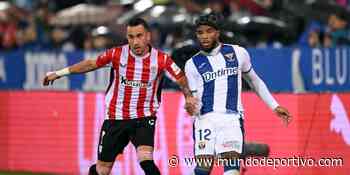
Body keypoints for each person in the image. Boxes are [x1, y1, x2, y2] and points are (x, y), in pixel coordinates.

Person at [43, 18, 197, 175]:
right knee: (102, 170)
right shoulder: (117, 54)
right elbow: (90, 64)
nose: (135, 41)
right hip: (116, 118)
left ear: (148, 36)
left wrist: (188, 97)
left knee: (146, 160)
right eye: (131, 37)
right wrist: (58, 73)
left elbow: (180, 78)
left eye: (139, 36)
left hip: (143, 117)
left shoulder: (161, 59)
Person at [184, 13, 292, 175]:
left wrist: (274, 105)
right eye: (200, 32)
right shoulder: (192, 64)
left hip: (231, 119)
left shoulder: (238, 53)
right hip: (205, 121)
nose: (204, 36)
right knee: (202, 170)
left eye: (209, 31)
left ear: (217, 33)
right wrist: (190, 106)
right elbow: (194, 100)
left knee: (232, 170)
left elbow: (255, 81)